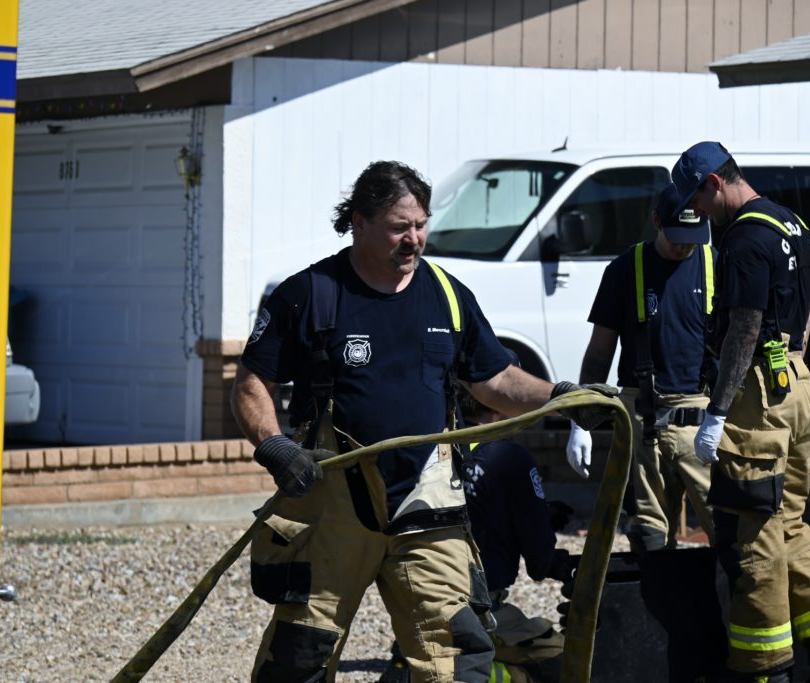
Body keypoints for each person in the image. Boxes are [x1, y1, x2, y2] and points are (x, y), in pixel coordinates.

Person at [231, 160, 613, 683]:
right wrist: (274, 446)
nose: (413, 239)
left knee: (457, 654)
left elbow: (495, 379)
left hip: (427, 505)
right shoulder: (310, 294)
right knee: (300, 657)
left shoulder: (448, 297)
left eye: (420, 225)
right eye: (398, 227)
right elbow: (251, 384)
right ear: (358, 223)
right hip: (334, 505)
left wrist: (563, 399)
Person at [672, 141, 810, 683]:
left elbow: (744, 328)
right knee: (790, 523)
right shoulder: (791, 224)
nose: (698, 212)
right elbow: (807, 315)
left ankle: (764, 667)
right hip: (798, 383)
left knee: (752, 533)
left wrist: (717, 411)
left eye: (697, 200)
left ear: (714, 183)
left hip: (759, 396)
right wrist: (790, 370)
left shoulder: (745, 237)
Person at [383, 365, 572, 683]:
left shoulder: (427, 450)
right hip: (480, 612)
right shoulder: (509, 457)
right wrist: (556, 554)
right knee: (564, 662)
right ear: (502, 401)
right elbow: (540, 562)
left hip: (418, 606)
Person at [567, 185, 717, 553]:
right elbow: (599, 353)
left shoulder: (715, 264)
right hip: (643, 419)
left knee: (728, 529)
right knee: (649, 536)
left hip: (702, 418)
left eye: (692, 236)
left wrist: (726, 414)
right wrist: (580, 419)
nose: (684, 246)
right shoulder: (624, 271)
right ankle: (657, 588)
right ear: (656, 222)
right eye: (677, 237)